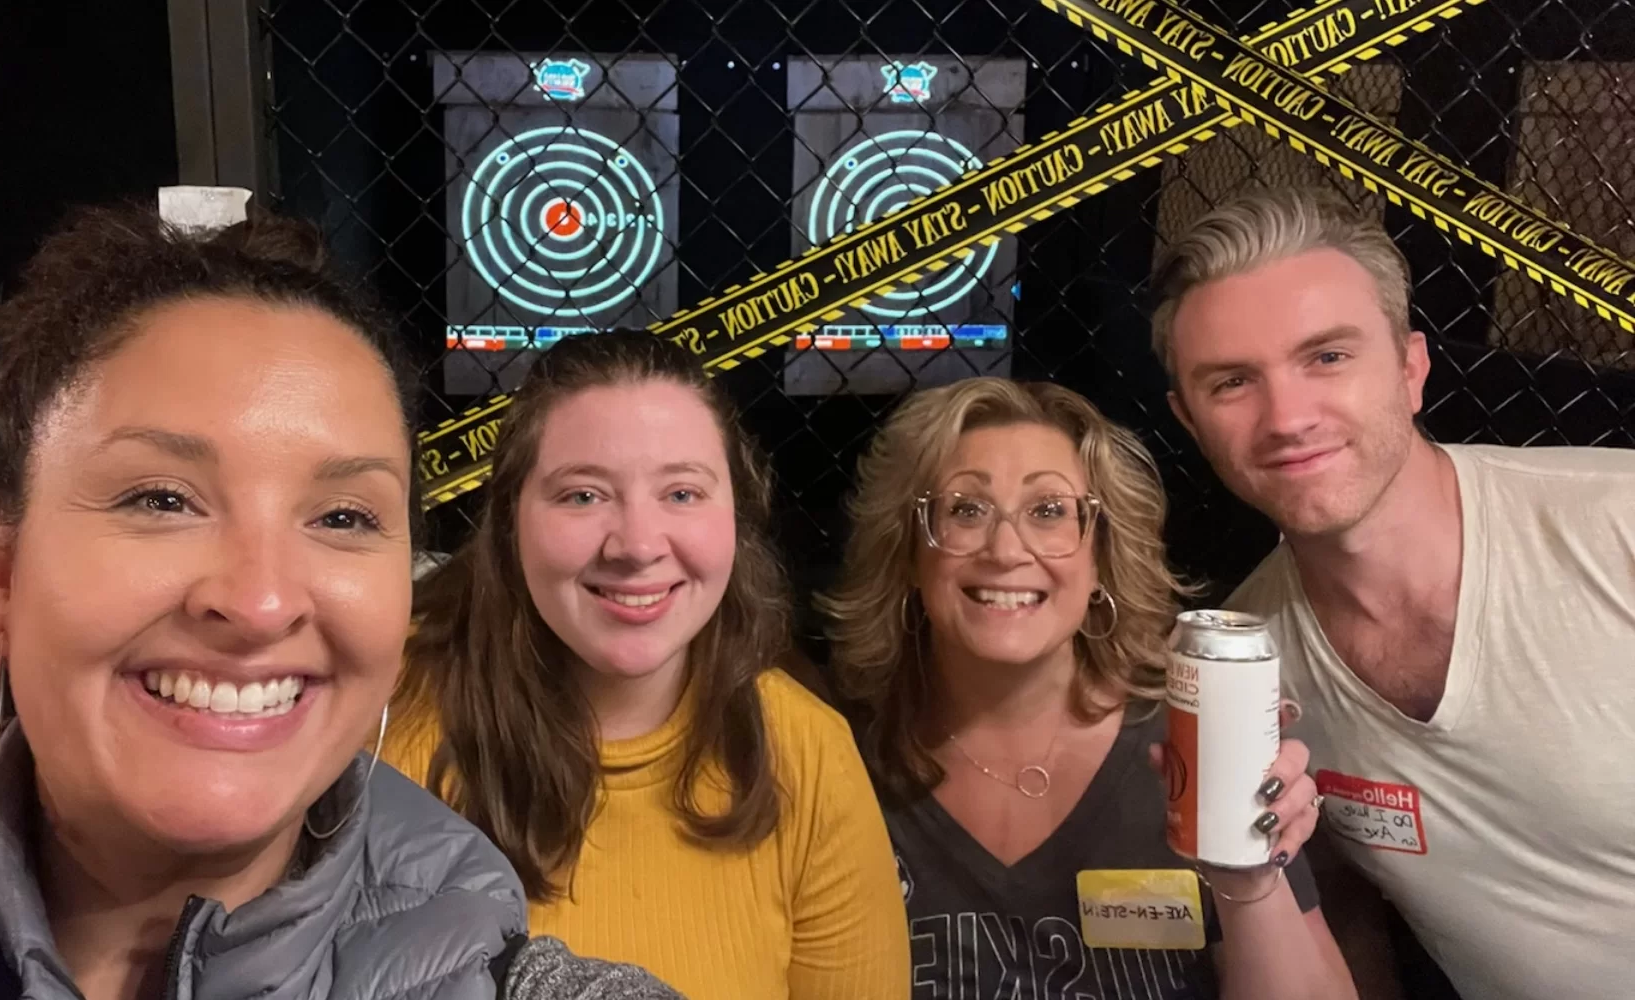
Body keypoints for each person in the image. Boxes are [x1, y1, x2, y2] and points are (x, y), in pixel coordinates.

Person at [0, 198, 682, 999]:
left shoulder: (487, 965)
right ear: (0, 570)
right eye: (161, 499)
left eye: (345, 516)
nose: (263, 600)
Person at [1153, 186, 1635, 1000]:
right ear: (1190, 420)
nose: (1287, 417)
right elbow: (1343, 912)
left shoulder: (1617, 529)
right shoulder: (1244, 670)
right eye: (1233, 382)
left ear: (1412, 368)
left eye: (1327, 357)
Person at [385, 331, 910, 999]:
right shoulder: (384, 717)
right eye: (582, 495)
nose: (636, 545)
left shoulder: (807, 754)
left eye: (683, 494)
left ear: (736, 517)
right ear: (510, 520)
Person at [822, 377, 1355, 1000]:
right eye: (965, 509)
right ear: (910, 556)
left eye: (1048, 511)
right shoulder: (835, 761)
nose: (1005, 549)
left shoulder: (1189, 746)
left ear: (1101, 558)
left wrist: (1250, 882)